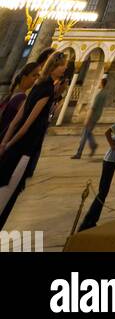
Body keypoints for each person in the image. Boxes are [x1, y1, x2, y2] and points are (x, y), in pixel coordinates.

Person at [0, 50, 68, 229]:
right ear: (53, 66)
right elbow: (26, 124)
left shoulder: (38, 87)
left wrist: (5, 142)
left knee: (5, 187)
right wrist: (9, 143)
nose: (65, 69)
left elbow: (17, 121)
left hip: (14, 147)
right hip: (23, 149)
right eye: (62, 65)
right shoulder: (45, 90)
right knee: (8, 192)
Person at [79, 98, 115, 230]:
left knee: (104, 191)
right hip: (109, 160)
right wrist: (112, 144)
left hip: (113, 160)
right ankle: (88, 221)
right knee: (102, 192)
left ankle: (92, 219)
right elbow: (107, 132)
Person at [71, 73, 109, 159]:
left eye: (100, 83)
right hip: (97, 116)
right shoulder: (105, 94)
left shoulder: (99, 95)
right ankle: (93, 145)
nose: (99, 84)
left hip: (92, 117)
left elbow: (93, 108)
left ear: (102, 83)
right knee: (88, 133)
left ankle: (79, 153)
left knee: (85, 134)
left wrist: (87, 118)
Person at [0, 63, 40, 142]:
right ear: (24, 78)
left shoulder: (12, 94)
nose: (36, 79)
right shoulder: (21, 98)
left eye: (38, 76)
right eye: (34, 75)